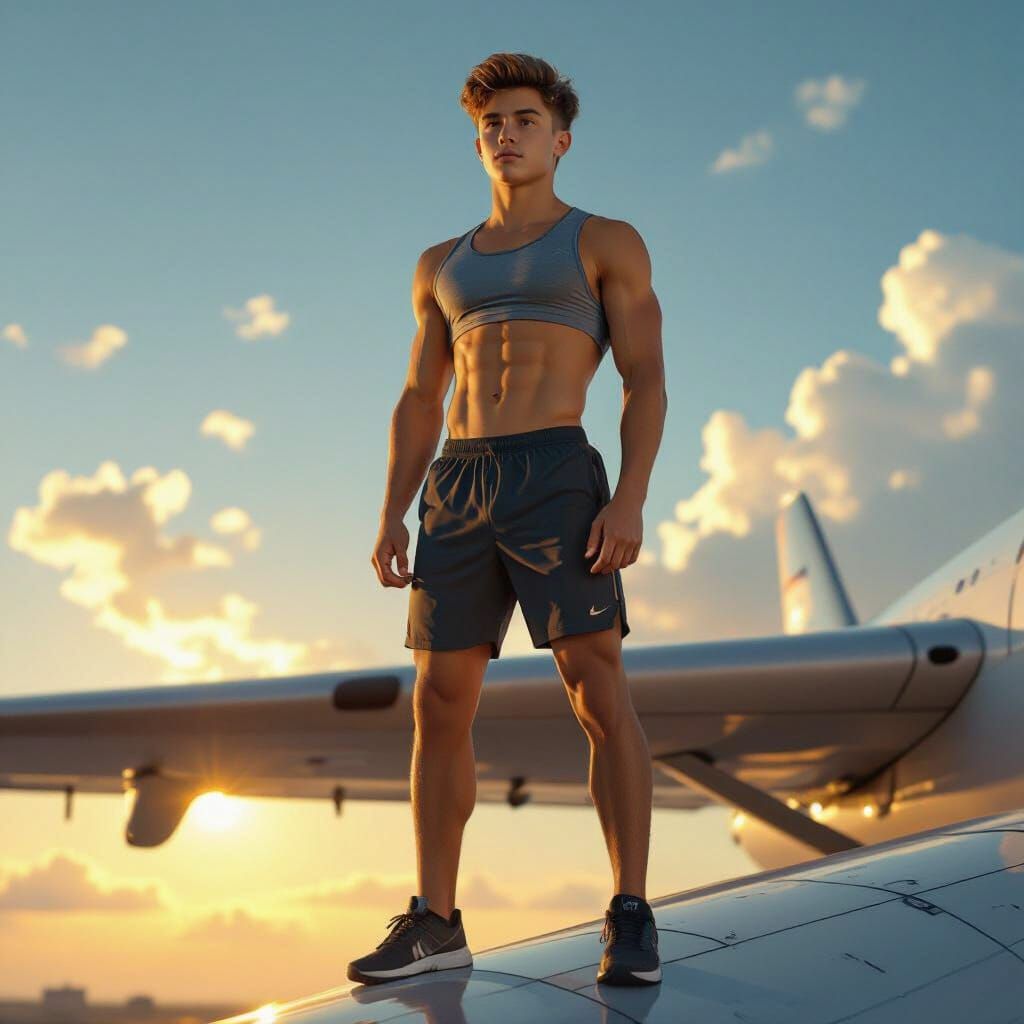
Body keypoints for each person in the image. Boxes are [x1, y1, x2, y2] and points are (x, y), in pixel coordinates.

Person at [351, 51, 666, 988]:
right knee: (438, 705)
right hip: (457, 484)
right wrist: (391, 513)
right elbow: (417, 397)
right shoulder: (439, 264)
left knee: (593, 688)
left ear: (559, 138)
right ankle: (436, 921)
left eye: (525, 120)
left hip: (558, 473)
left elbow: (645, 379)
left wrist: (629, 498)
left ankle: (631, 911)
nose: (506, 134)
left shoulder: (606, 240)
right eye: (491, 123)